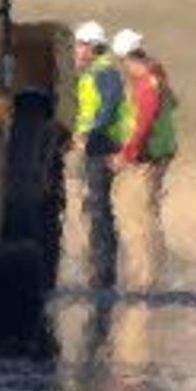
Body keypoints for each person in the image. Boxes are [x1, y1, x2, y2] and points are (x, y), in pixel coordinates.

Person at [69, 21, 128, 288]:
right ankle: (99, 270)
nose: (77, 51)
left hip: (101, 145)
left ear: (94, 47)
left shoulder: (104, 72)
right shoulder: (96, 71)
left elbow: (109, 105)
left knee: (100, 209)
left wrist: (91, 132)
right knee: (94, 207)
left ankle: (103, 275)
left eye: (81, 45)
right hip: (94, 144)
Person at [116, 30, 175, 277]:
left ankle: (143, 277)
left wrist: (126, 155)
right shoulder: (157, 79)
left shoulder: (147, 85)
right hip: (156, 154)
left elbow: (143, 124)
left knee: (135, 218)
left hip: (146, 157)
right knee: (148, 215)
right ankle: (153, 273)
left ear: (129, 59)